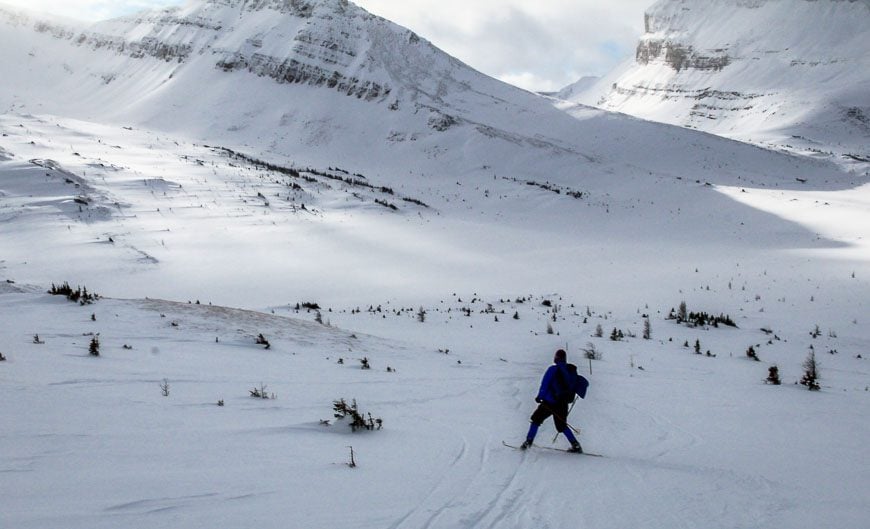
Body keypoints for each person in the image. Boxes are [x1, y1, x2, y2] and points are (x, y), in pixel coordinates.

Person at [521, 349, 588, 453]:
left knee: (536, 420)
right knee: (562, 426)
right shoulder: (570, 371)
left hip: (549, 402)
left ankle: (528, 442)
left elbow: (545, 384)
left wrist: (539, 396)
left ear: (556, 358)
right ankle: (576, 445)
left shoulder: (553, 369)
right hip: (563, 403)